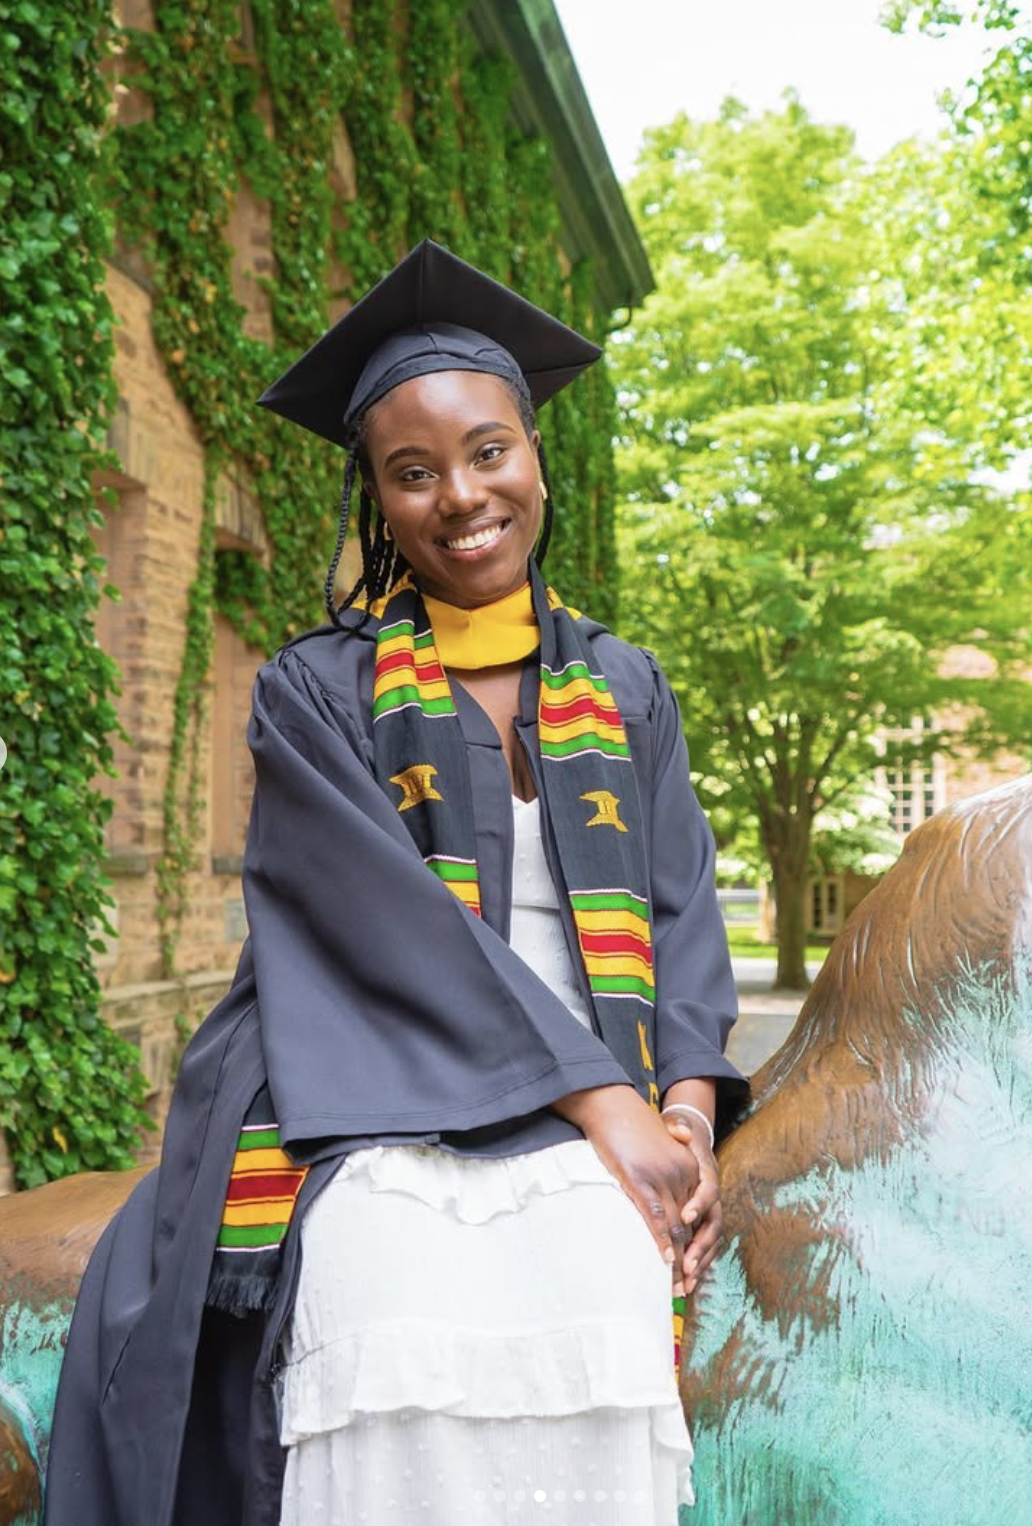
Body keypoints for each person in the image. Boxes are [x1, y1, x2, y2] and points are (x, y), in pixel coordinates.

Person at [43, 240, 747, 1526]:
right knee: (379, 1259)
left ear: (536, 458)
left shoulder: (626, 684)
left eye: (488, 451)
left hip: (611, 1067)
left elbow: (680, 909)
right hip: (367, 1069)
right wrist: (607, 1110)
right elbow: (380, 925)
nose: (459, 494)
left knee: (605, 1254)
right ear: (376, 499)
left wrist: (687, 1109)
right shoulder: (316, 688)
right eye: (410, 472)